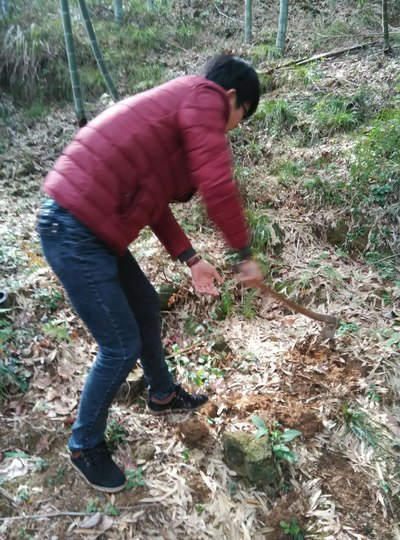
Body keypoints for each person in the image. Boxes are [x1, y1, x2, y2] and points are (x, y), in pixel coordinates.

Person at [36, 54, 264, 493]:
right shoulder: (204, 99)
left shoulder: (176, 114)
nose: (234, 127)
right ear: (232, 96)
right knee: (120, 346)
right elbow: (218, 186)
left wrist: (192, 259)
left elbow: (154, 204)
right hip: (74, 227)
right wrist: (243, 254)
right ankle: (84, 445)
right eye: (243, 115)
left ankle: (162, 393)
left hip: (93, 227)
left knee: (144, 304)